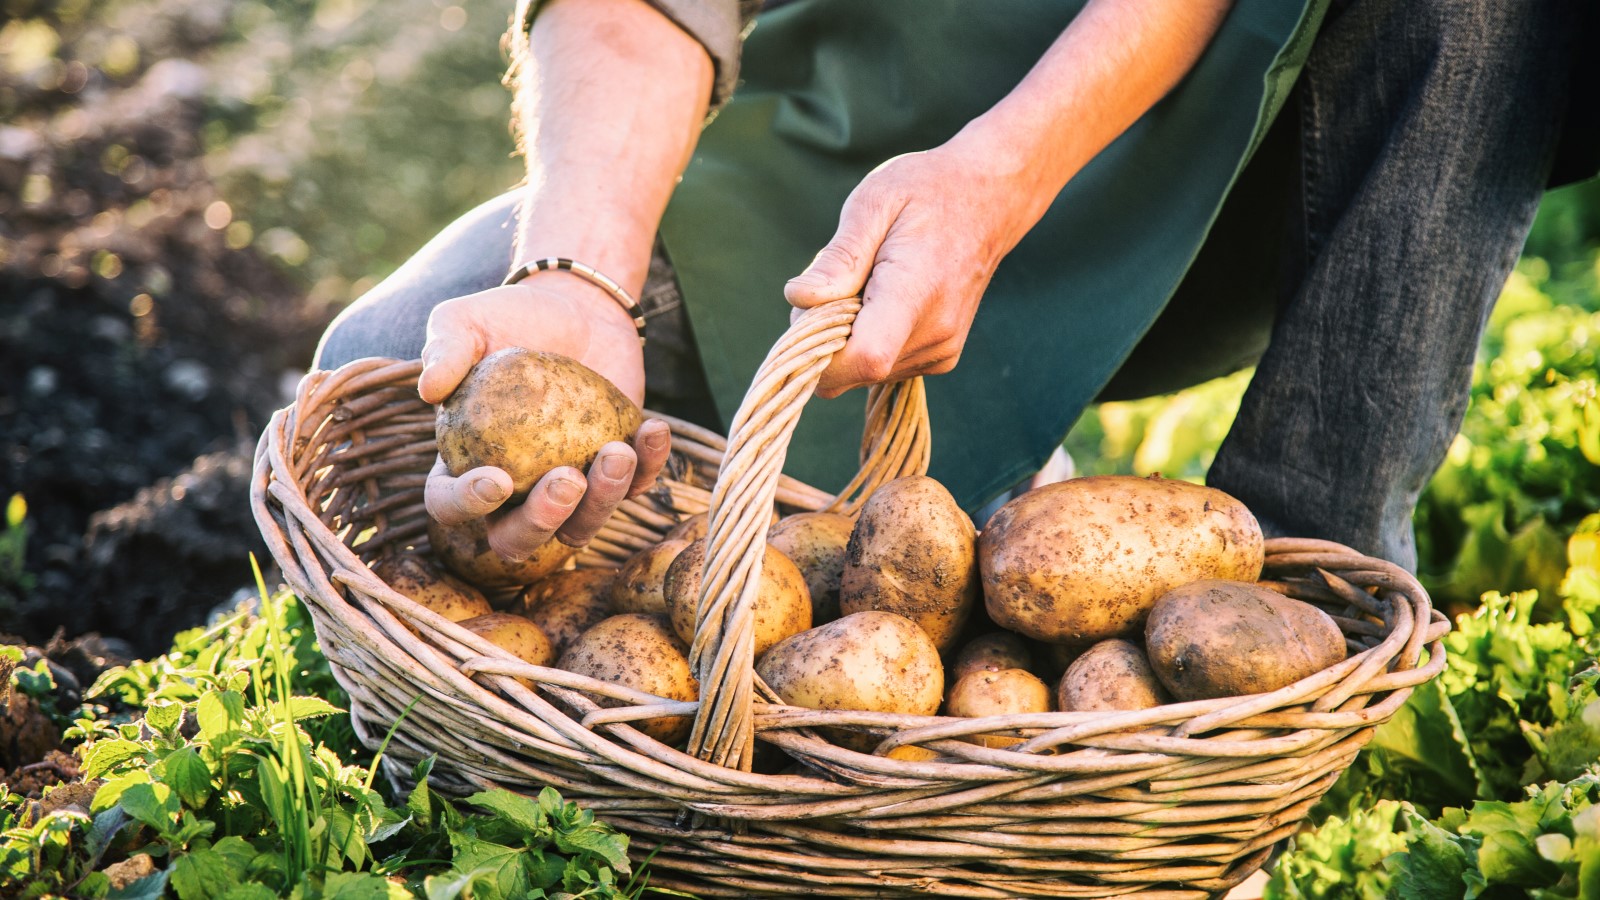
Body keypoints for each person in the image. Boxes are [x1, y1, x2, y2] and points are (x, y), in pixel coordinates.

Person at [315, 0, 1594, 571]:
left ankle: (1309, 574)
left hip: (1246, 137)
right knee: (371, 366)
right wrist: (581, 272)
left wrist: (994, 181)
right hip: (856, 149)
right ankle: (969, 474)